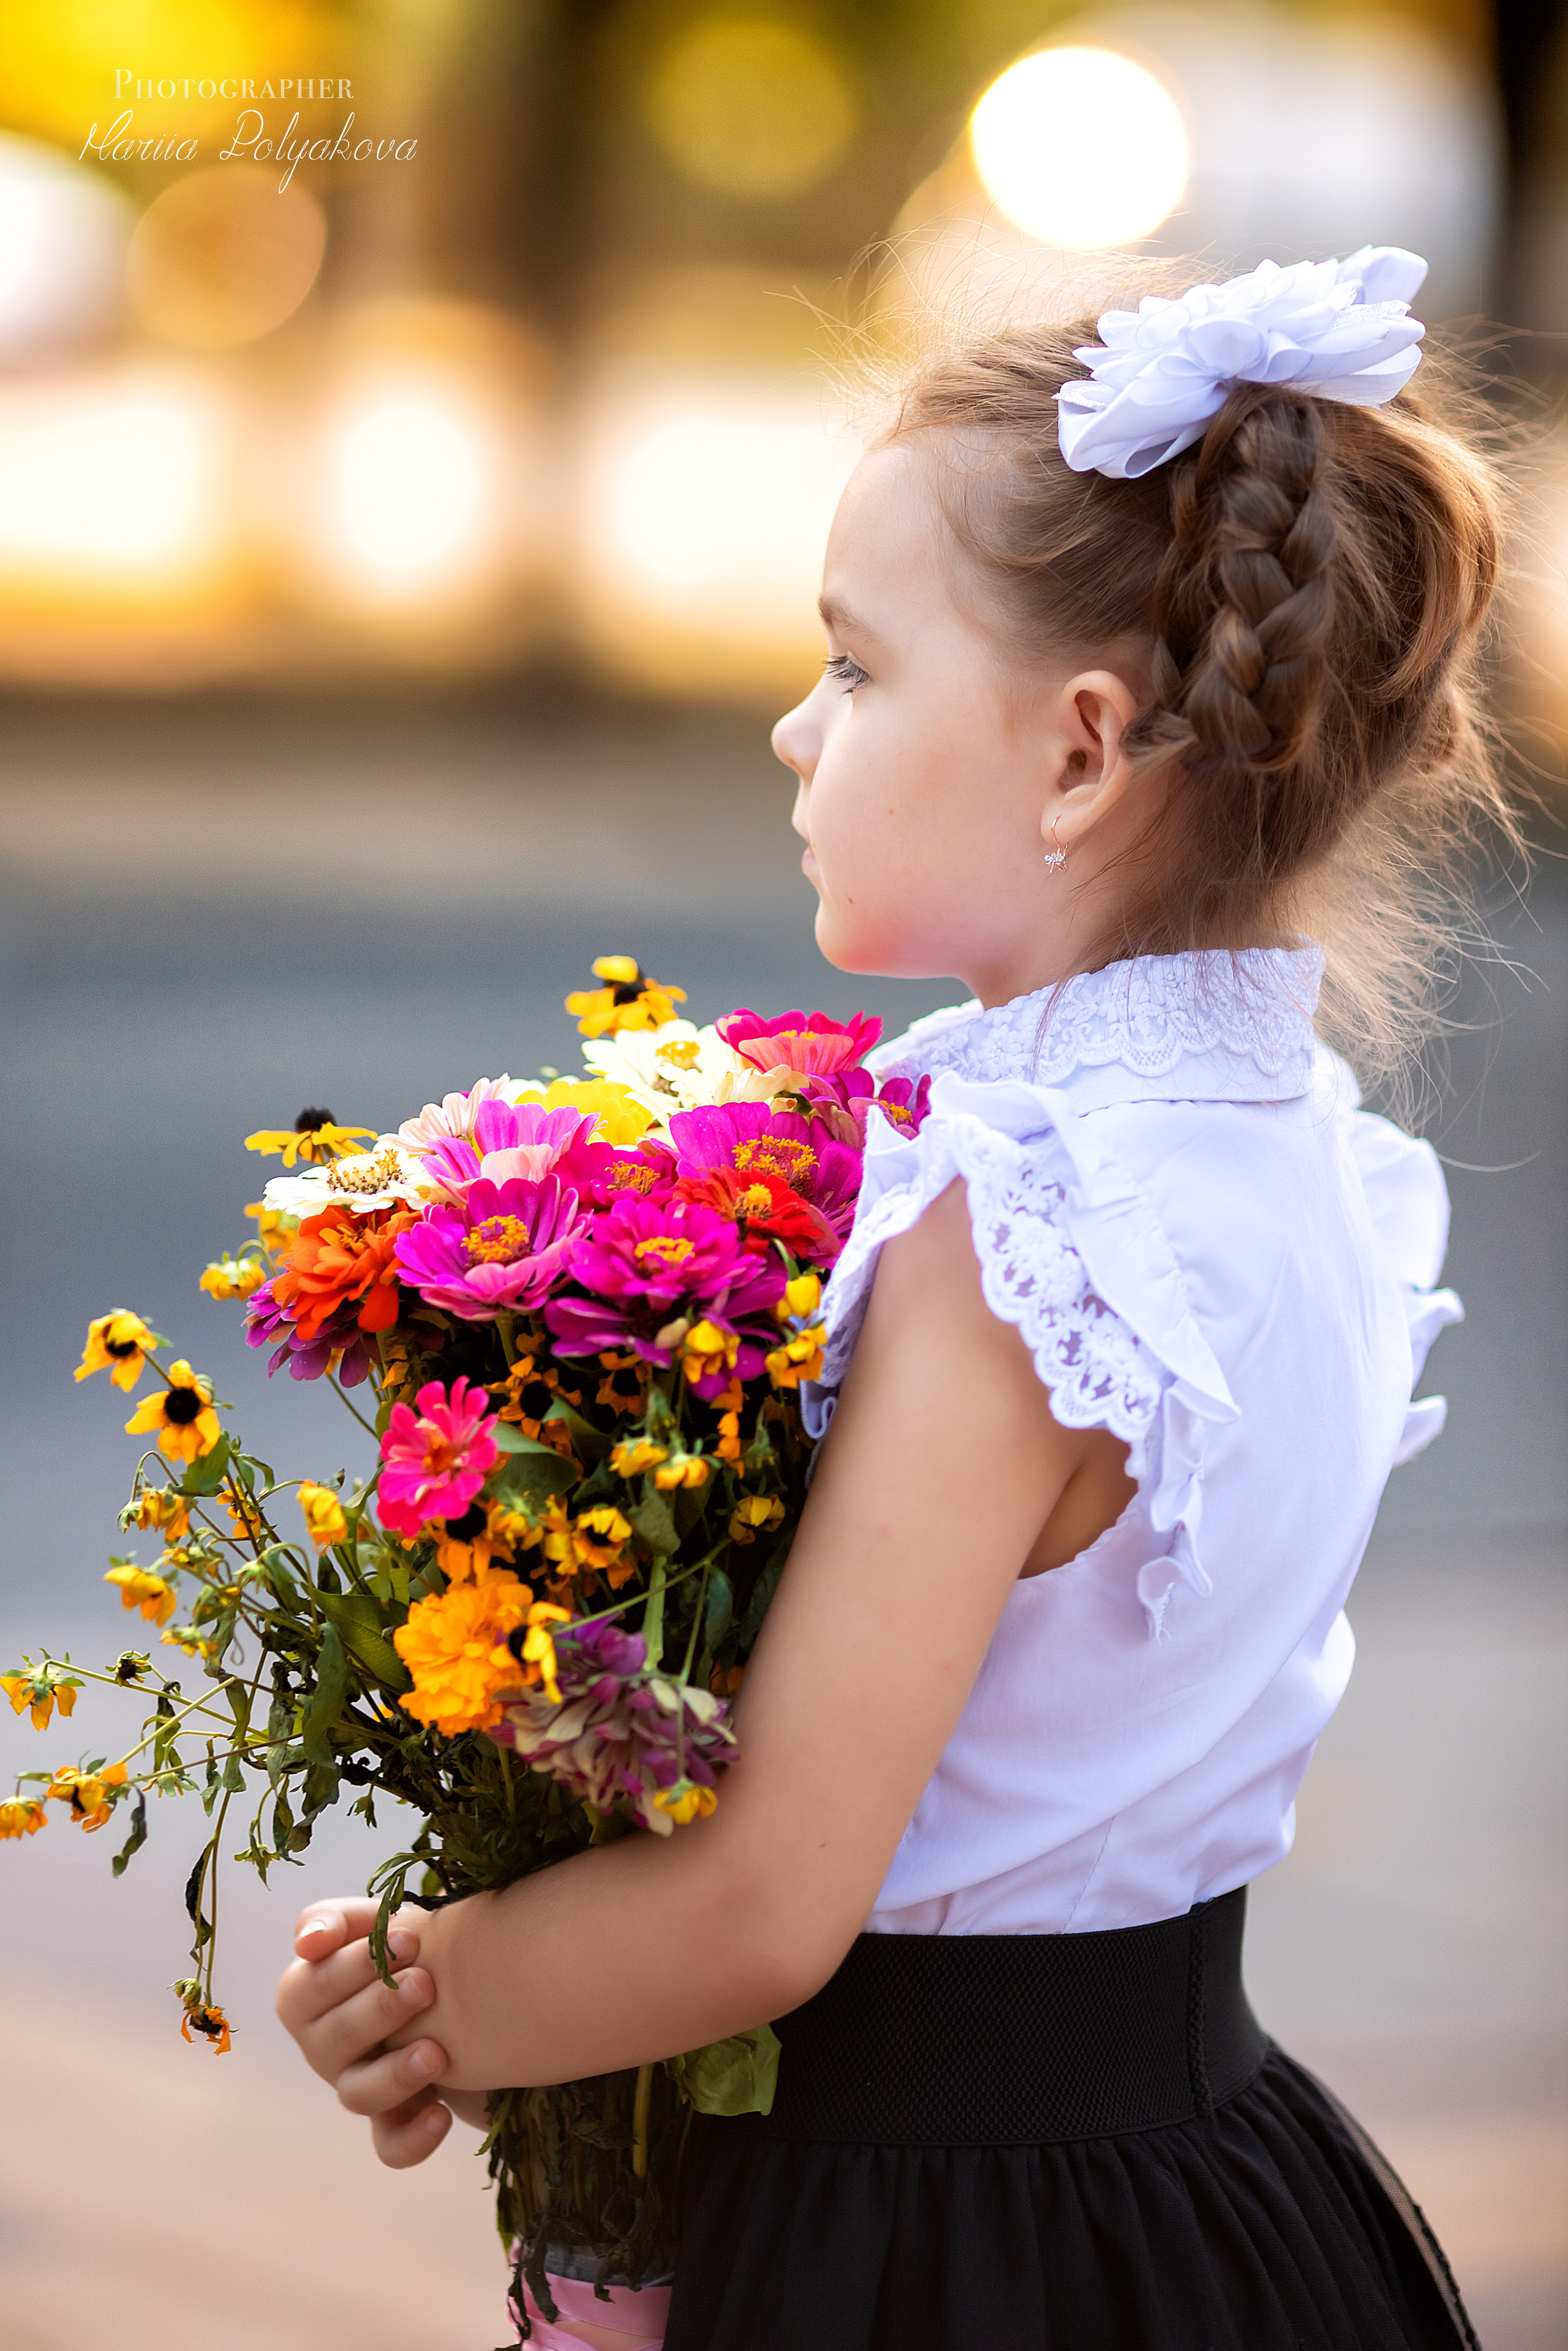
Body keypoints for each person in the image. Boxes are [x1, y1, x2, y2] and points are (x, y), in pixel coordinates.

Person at [277, 247, 1510, 2350]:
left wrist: (439, 1994)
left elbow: (766, 1906)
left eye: (854, 666)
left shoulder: (1020, 1234)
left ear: (1078, 755)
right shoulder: (1300, 1155)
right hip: (1209, 2183)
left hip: (941, 2247)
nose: (795, 723)